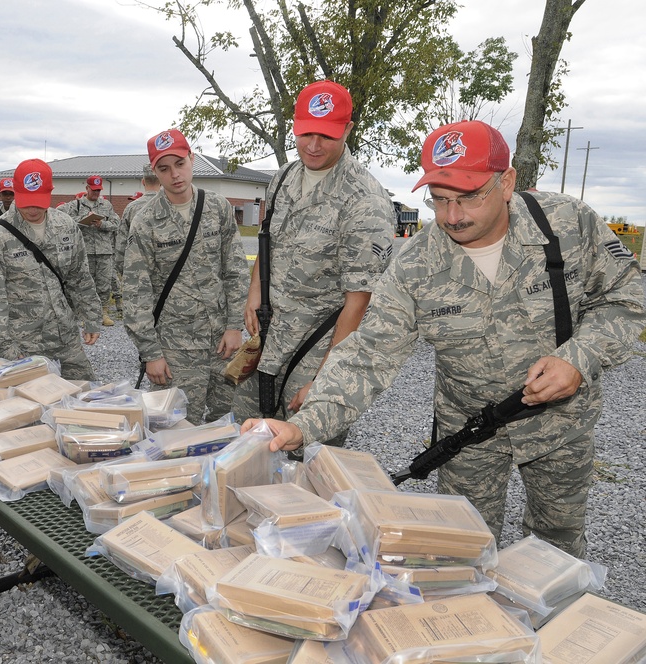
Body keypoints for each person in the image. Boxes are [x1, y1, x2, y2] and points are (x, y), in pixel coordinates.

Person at [245, 120, 646, 556]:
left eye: (470, 196)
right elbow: (367, 355)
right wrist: (301, 426)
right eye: (439, 199)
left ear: (506, 181)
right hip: (470, 433)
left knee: (557, 547)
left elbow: (627, 298)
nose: (452, 217)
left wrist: (579, 357)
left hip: (562, 426)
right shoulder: (416, 264)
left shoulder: (568, 225)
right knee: (467, 547)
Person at [233, 80, 395, 436]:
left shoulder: (365, 200)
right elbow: (266, 240)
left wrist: (325, 380)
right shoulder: (284, 177)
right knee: (247, 445)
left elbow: (360, 301)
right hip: (269, 337)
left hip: (316, 348)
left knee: (307, 463)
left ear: (349, 129)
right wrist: (253, 293)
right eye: (306, 134)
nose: (314, 145)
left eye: (326, 135)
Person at [123, 129, 249, 424]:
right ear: (154, 172)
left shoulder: (217, 208)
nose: (175, 175)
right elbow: (135, 293)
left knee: (229, 421)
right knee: (176, 428)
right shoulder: (145, 221)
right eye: (164, 169)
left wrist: (234, 327)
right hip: (175, 348)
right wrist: (150, 353)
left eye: (180, 164)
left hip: (222, 342)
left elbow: (236, 270)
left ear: (192, 159)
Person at [0, 158, 102, 381]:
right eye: (26, 201)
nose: (33, 208)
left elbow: (80, 278)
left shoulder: (66, 226)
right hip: (23, 345)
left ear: (50, 192)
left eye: (39, 201)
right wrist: (9, 351)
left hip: (66, 338)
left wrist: (91, 317)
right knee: (33, 410)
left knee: (83, 398)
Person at [58, 175, 120, 326]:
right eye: (94, 190)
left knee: (104, 284)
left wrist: (102, 224)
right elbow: (68, 224)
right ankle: (85, 315)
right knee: (85, 284)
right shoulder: (75, 205)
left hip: (104, 251)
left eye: (98, 190)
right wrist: (84, 220)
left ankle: (103, 312)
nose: (96, 193)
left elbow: (116, 223)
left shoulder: (106, 205)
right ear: (87, 188)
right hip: (84, 251)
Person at [113, 167, 162, 317]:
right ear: (161, 181)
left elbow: (121, 244)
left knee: (141, 318)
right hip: (165, 271)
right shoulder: (170, 205)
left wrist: (124, 270)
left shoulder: (131, 208)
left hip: (138, 271)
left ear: (142, 182)